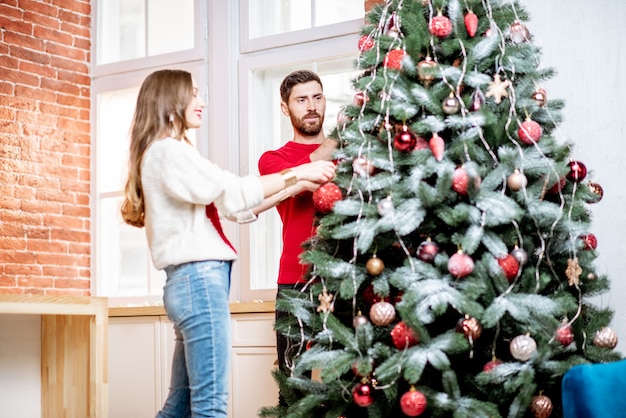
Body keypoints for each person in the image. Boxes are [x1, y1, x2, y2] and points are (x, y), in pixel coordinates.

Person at [120, 69, 335, 418]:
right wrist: (299, 174)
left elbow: (235, 208)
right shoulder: (168, 153)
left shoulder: (165, 154)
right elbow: (232, 192)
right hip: (199, 282)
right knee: (209, 407)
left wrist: (295, 184)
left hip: (192, 283)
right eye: (194, 95)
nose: (202, 102)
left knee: (179, 405)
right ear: (172, 102)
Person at [256, 70, 338, 398]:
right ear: (284, 108)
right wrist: (340, 137)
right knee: (293, 388)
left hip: (343, 278)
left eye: (317, 97)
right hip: (295, 282)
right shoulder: (274, 160)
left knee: (350, 386)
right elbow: (310, 169)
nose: (311, 106)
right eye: (301, 100)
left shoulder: (347, 155)